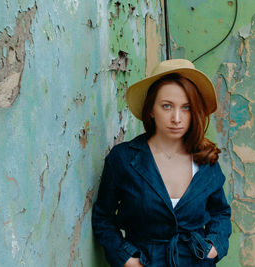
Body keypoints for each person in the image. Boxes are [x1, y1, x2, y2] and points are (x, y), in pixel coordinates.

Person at [92, 59, 232, 267]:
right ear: (151, 109)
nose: (177, 118)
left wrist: (214, 246)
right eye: (167, 106)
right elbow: (103, 217)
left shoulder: (205, 159)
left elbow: (220, 212)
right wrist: (127, 259)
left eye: (186, 108)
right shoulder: (124, 159)